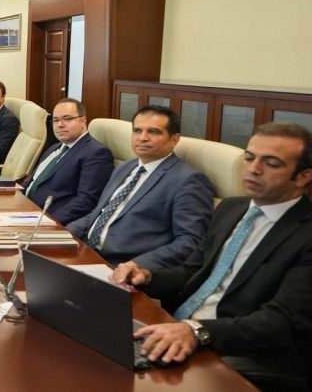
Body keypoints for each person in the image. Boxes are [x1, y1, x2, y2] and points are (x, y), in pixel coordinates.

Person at [111, 122, 312, 389]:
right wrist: (147, 276)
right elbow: (192, 271)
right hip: (178, 326)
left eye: (271, 163)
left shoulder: (305, 234)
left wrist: (196, 330)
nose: (253, 169)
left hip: (241, 350)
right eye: (249, 158)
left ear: (303, 177)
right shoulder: (231, 208)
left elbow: (282, 321)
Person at [67, 105, 213, 269]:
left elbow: (190, 241)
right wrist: (63, 234)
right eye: (137, 131)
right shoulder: (125, 167)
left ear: (174, 139)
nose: (142, 138)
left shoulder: (188, 180)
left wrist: (136, 265)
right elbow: (98, 214)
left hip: (123, 266)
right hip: (85, 252)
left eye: (153, 132)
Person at [20, 99, 114, 224]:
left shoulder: (96, 153)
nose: (60, 125)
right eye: (56, 120)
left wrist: (46, 222)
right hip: (23, 211)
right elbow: (32, 180)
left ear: (83, 120)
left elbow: (85, 202)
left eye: (67, 119)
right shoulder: (55, 148)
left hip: (48, 220)